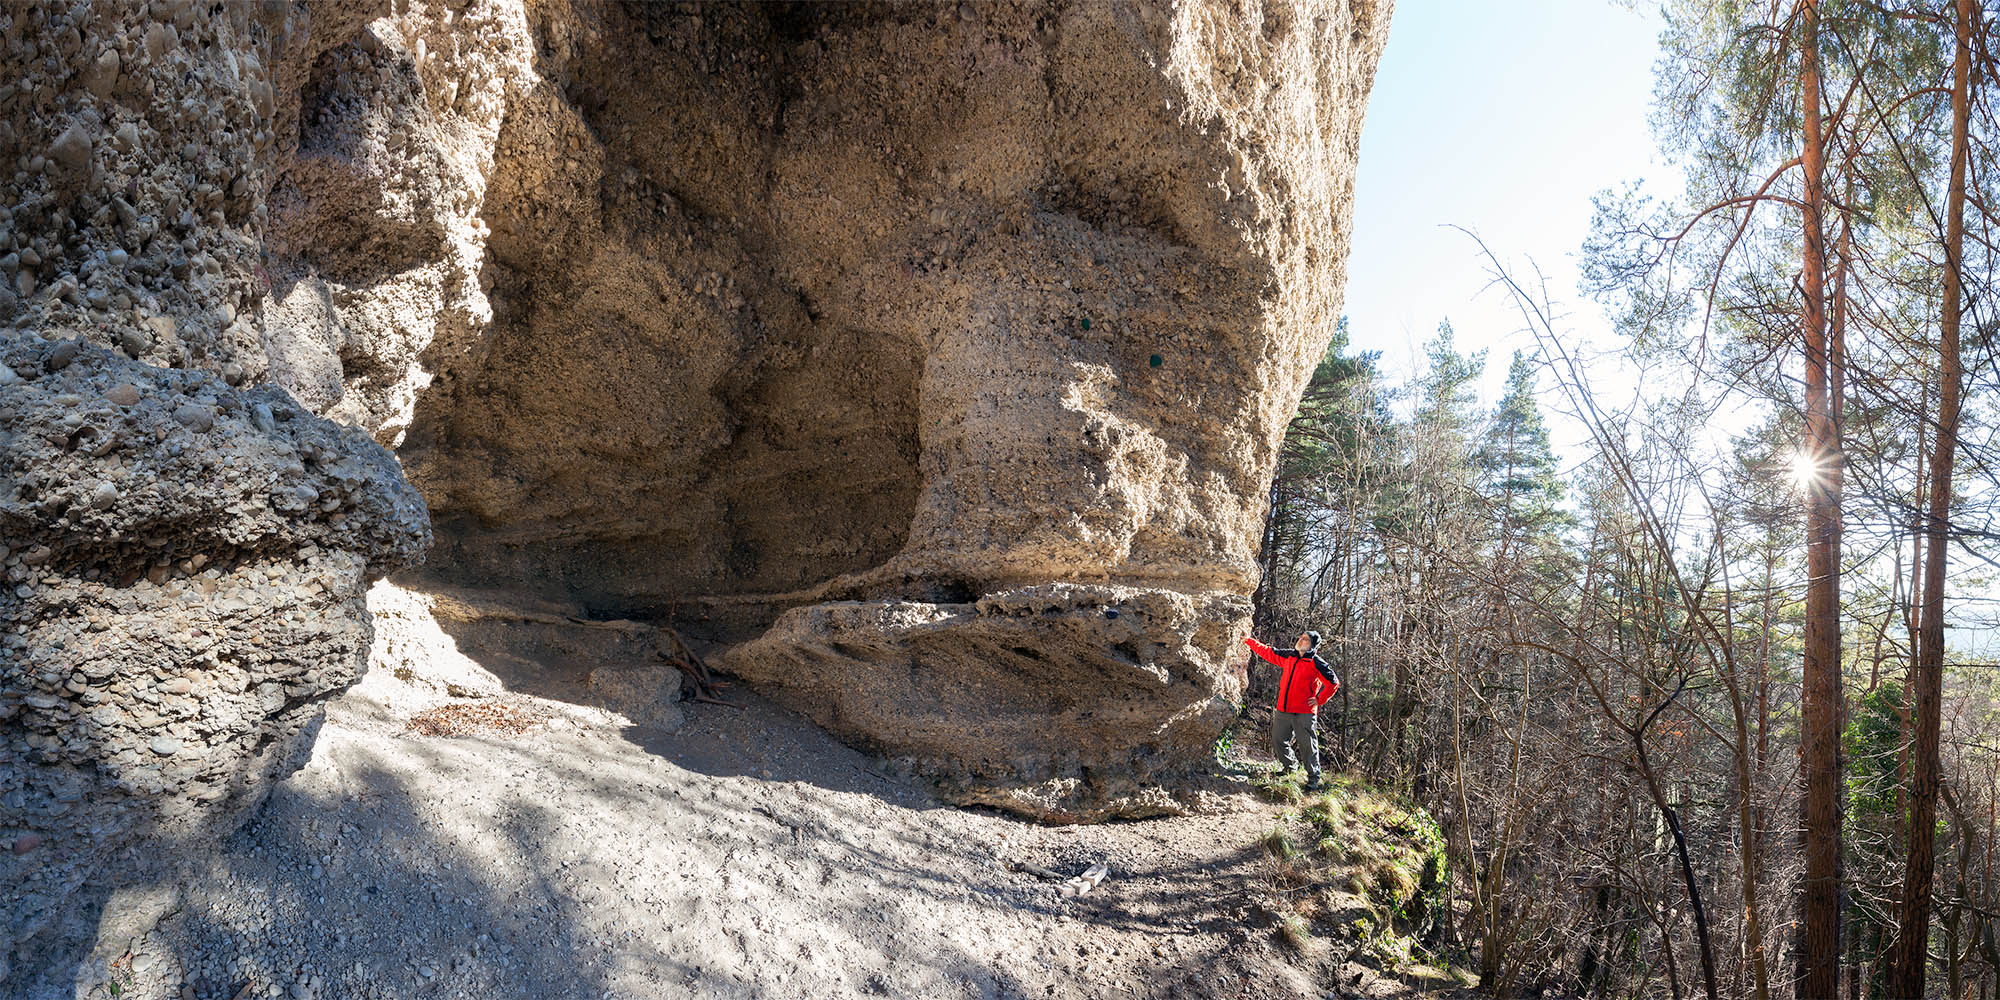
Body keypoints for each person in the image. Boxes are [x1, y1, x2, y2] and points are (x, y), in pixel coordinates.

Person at [1243, 630, 1339, 791]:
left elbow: (1333, 683)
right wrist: (1249, 641)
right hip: (1283, 709)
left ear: (1313, 645)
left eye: (1306, 640)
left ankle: (1313, 779)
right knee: (1278, 740)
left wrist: (1319, 699)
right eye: (1301, 637)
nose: (1301, 640)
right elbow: (1268, 652)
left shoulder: (1317, 663)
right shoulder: (1289, 656)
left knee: (1308, 746)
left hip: (1305, 712)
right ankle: (1289, 767)